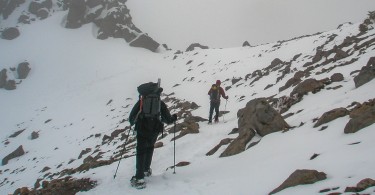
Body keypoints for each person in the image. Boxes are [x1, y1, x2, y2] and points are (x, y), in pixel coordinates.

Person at [129, 83, 177, 189]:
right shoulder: (159, 102)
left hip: (142, 129)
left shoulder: (141, 101)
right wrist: (174, 118)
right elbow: (168, 119)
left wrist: (133, 122)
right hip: (154, 130)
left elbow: (131, 117)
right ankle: (146, 170)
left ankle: (139, 177)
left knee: (141, 151)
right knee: (150, 147)